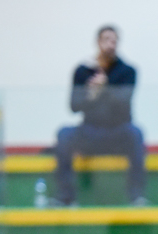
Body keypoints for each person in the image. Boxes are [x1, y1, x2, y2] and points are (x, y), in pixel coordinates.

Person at [53, 25, 147, 206]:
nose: (111, 44)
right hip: (90, 133)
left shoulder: (128, 71)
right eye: (106, 40)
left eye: (114, 41)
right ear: (98, 42)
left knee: (136, 133)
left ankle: (136, 196)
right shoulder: (82, 71)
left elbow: (124, 102)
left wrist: (105, 87)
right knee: (64, 134)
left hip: (117, 133)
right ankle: (65, 196)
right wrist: (91, 95)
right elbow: (74, 106)